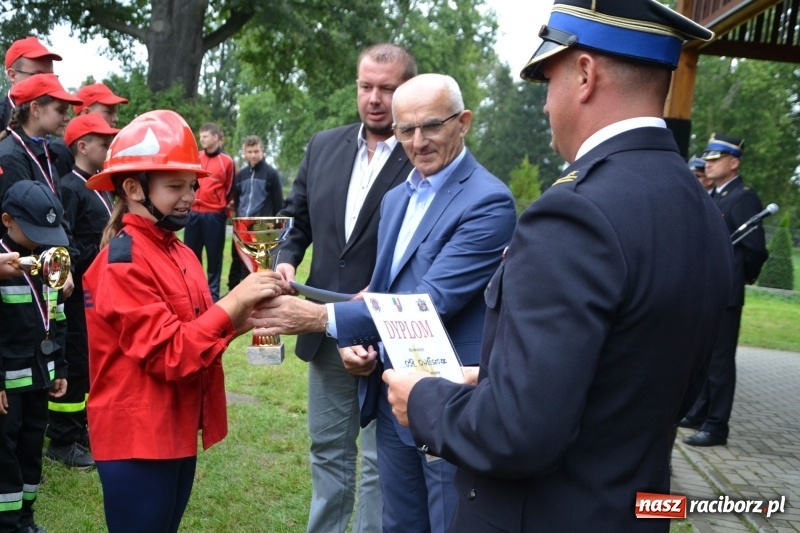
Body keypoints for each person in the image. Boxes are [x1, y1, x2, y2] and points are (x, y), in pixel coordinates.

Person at [380, 2, 735, 531]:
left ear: (586, 75)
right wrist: (499, 378)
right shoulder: (699, 206)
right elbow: (637, 381)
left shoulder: (576, 211)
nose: (545, 105)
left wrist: (426, 399)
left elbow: (516, 432)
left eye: (549, 80)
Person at [255, 73, 517, 532]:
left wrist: (319, 317)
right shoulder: (398, 197)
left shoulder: (488, 202)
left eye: (431, 126)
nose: (418, 141)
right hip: (395, 393)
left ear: (464, 122)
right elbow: (382, 291)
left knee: (446, 521)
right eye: (405, 130)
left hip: (449, 398)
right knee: (399, 523)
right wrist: (361, 344)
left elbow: (428, 303)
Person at [81, 110, 285, 533]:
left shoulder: (181, 252)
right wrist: (234, 300)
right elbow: (171, 353)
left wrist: (243, 317)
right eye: (175, 186)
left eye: (192, 184)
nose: (190, 196)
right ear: (133, 189)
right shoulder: (123, 261)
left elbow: (197, 334)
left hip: (172, 428)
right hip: (136, 439)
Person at [272, 43, 417, 533]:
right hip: (326, 331)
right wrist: (287, 260)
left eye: (388, 89)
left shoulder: (423, 157)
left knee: (381, 462)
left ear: (406, 92)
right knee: (328, 452)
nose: (375, 98)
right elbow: (298, 221)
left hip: (392, 336)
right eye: (366, 86)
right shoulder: (323, 145)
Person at [680, 133, 769, 447]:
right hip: (710, 288)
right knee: (704, 356)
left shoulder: (743, 197)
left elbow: (755, 247)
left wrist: (745, 277)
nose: (709, 164)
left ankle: (717, 426)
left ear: (734, 163)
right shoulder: (717, 195)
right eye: (709, 159)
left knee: (719, 361)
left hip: (727, 290)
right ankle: (700, 411)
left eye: (716, 159)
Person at [44, 114, 119, 469]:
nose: (108, 147)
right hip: (77, 291)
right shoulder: (70, 186)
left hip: (100, 288)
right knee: (73, 359)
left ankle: (81, 427)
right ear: (82, 145)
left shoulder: (102, 185)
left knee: (90, 359)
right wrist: (104, 251)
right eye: (103, 142)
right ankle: (62, 438)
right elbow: (67, 239)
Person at [1, 180, 69, 533]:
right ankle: (7, 524)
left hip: (39, 377)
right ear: (7, 220)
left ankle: (26, 520)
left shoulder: (46, 261)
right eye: (35, 230)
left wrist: (59, 367)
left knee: (31, 451)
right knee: (5, 456)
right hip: (7, 387)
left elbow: (56, 318)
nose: (43, 238)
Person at [0, 73, 81, 297]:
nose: (66, 117)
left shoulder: (44, 151)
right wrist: (59, 265)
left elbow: (57, 213)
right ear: (35, 109)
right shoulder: (10, 156)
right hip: (21, 275)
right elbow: (26, 221)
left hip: (46, 269)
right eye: (60, 110)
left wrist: (64, 261)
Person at [183, 123, 235, 301]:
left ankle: (212, 297)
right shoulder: (195, 157)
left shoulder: (227, 161)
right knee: (190, 255)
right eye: (201, 136)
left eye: (205, 136)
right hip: (193, 214)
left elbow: (229, 188)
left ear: (215, 137)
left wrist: (219, 205)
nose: (202, 139)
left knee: (214, 257)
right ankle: (193, 293)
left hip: (214, 216)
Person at [227, 135, 283, 291]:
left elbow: (278, 203)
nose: (253, 155)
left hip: (262, 230)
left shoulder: (271, 174)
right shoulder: (241, 176)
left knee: (260, 267)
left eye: (256, 151)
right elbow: (237, 201)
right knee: (238, 262)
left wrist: (275, 230)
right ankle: (233, 294)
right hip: (242, 229)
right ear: (244, 152)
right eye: (249, 151)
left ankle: (262, 295)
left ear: (263, 151)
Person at [1, 37, 62, 130]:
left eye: (50, 76)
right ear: (12, 76)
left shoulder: (56, 119)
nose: (46, 82)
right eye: (38, 75)